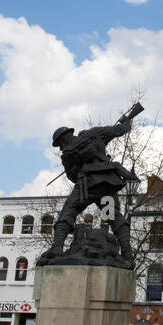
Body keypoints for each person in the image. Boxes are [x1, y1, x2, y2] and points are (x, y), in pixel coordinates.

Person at [42, 105, 142, 263]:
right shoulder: (94, 134)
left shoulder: (67, 154)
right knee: (113, 216)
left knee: (68, 213)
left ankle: (57, 249)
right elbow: (120, 130)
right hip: (106, 185)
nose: (61, 147)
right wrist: (126, 122)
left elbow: (73, 177)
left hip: (86, 187)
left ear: (62, 139)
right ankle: (127, 254)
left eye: (59, 144)